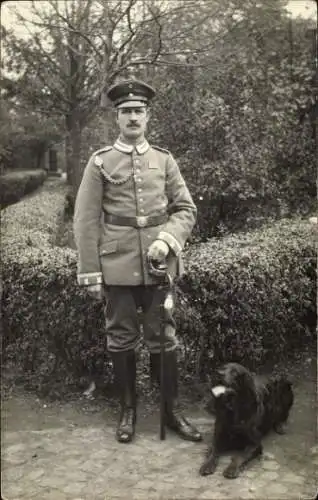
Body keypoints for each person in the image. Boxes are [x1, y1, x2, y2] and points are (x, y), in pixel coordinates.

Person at [73, 79, 202, 444]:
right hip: (117, 265)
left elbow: (186, 209)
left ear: (148, 116)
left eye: (138, 111)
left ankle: (171, 411)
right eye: (126, 111)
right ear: (117, 118)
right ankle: (127, 411)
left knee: (164, 338)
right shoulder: (100, 162)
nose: (133, 117)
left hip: (159, 265)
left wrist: (168, 239)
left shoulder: (164, 160)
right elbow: (85, 220)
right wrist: (91, 272)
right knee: (121, 338)